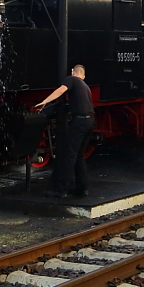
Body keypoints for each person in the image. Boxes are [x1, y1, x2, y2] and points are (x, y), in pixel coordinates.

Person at [33, 64, 95, 198]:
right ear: (83, 76)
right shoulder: (86, 87)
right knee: (79, 155)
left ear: (72, 72)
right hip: (90, 121)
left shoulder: (72, 79)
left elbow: (61, 90)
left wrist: (44, 102)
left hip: (79, 122)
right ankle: (82, 189)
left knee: (69, 155)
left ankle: (61, 190)